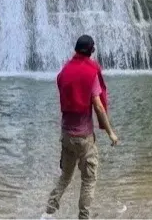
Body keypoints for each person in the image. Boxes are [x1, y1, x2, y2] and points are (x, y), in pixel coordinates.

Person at [45, 35, 119, 219]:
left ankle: (48, 211)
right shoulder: (90, 73)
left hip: (66, 135)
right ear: (90, 51)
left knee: (65, 176)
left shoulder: (65, 71)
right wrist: (110, 133)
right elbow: (98, 107)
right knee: (88, 179)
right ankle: (84, 217)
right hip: (84, 138)